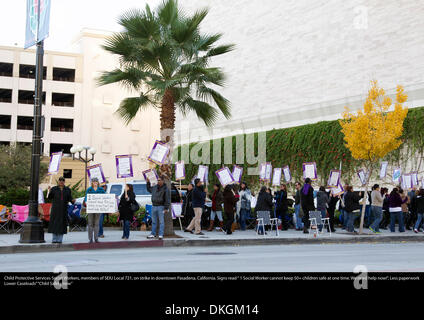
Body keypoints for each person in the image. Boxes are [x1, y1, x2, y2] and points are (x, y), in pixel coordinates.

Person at [47, 177, 75, 244]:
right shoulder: (54, 189)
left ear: (64, 182)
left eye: (62, 181)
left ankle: (59, 239)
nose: (61, 182)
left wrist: (73, 201)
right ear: (58, 182)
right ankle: (54, 239)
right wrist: (49, 191)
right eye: (60, 181)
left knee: (62, 224)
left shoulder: (67, 190)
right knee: (55, 224)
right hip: (55, 210)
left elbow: (70, 198)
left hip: (63, 210)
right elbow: (49, 197)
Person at [83, 178, 106, 243]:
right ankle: (90, 239)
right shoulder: (89, 189)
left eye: (96, 181)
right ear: (92, 183)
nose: (95, 183)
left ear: (98, 182)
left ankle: (96, 238)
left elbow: (105, 196)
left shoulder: (101, 189)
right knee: (90, 224)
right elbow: (86, 197)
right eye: (94, 182)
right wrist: (86, 202)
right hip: (91, 208)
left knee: (97, 224)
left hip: (98, 208)